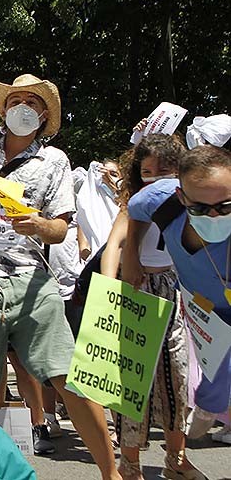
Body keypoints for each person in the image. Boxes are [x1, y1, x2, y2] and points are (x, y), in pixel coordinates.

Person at [0, 31, 120, 479]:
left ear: (44, 116)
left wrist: (40, 226)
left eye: (34, 104)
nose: (24, 108)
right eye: (18, 100)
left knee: (66, 375)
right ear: (5, 106)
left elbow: (60, 227)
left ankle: (112, 472)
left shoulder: (54, 160)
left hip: (32, 281)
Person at [101, 135, 202, 479]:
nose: (155, 177)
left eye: (164, 169)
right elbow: (114, 244)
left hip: (176, 294)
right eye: (147, 171)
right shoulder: (133, 205)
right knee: (132, 381)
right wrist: (111, 287)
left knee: (178, 376)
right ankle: (129, 465)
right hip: (137, 293)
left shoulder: (191, 203)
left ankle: (177, 459)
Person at [123, 145, 231, 442]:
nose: (213, 215)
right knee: (214, 360)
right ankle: (211, 403)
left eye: (225, 206)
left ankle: (211, 405)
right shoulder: (158, 201)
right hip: (202, 306)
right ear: (181, 197)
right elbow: (135, 212)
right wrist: (131, 253)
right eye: (200, 208)